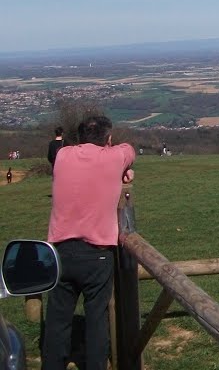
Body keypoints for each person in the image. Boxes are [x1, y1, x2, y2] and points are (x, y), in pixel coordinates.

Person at [43, 114, 134, 370]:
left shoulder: (62, 156)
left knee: (57, 321)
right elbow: (129, 150)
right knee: (96, 319)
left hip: (59, 251)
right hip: (97, 253)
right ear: (108, 138)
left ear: (80, 137)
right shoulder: (115, 155)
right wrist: (123, 170)